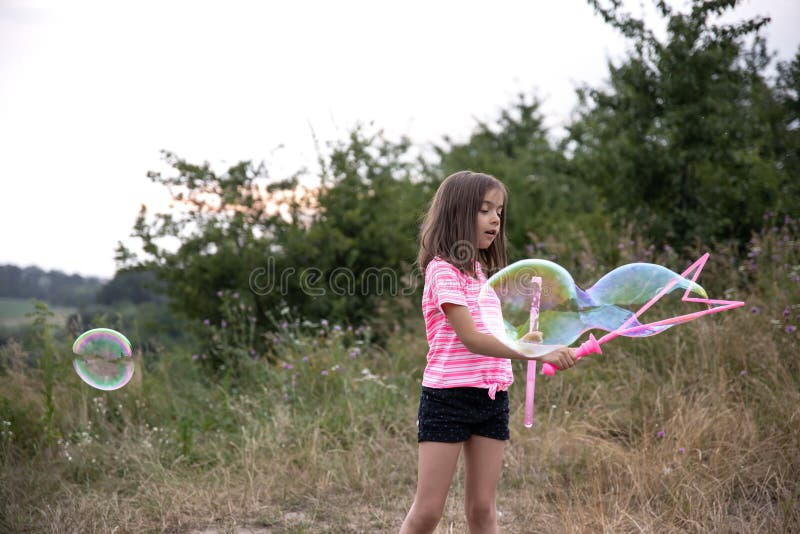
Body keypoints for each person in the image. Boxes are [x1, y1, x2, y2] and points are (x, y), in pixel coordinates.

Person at [399, 171, 577, 534]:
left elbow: (494, 335)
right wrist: (534, 351)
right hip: (447, 398)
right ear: (458, 214)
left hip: (492, 397)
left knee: (483, 510)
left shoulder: (480, 275)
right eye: (484, 209)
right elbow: (471, 338)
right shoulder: (442, 270)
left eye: (499, 210)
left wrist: (523, 337)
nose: (496, 218)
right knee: (428, 511)